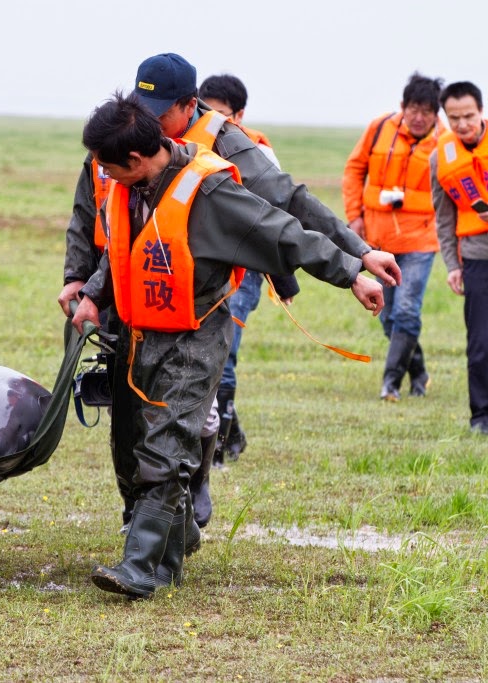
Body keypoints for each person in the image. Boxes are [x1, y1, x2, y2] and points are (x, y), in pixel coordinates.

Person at [72, 92, 384, 600]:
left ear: (133, 159)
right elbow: (126, 247)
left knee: (167, 444)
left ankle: (138, 566)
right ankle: (169, 554)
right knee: (133, 449)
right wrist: (91, 294)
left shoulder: (210, 190)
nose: (102, 177)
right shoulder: (129, 187)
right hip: (138, 336)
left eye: (108, 168)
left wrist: (352, 272)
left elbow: (285, 233)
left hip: (197, 336)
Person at [198, 73, 299, 468]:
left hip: (246, 271)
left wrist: (284, 275)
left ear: (239, 115)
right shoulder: (192, 145)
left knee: (226, 355)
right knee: (206, 355)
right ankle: (229, 429)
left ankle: (219, 445)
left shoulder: (259, 155)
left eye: (221, 114)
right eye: (204, 111)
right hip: (204, 268)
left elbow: (278, 218)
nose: (211, 120)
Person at [343, 73, 444, 401]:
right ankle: (419, 372)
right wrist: (354, 216)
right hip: (378, 241)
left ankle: (391, 384)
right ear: (403, 107)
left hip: (421, 242)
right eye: (414, 109)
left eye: (427, 111)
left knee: (407, 311)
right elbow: (355, 169)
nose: (419, 117)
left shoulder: (446, 141)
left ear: (437, 112)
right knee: (386, 314)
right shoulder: (379, 128)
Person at [431, 81, 488, 435]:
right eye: (455, 119)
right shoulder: (441, 156)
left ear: (481, 111)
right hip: (476, 256)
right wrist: (452, 264)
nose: (463, 124)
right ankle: (481, 416)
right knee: (480, 342)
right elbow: (444, 215)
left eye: (468, 116)